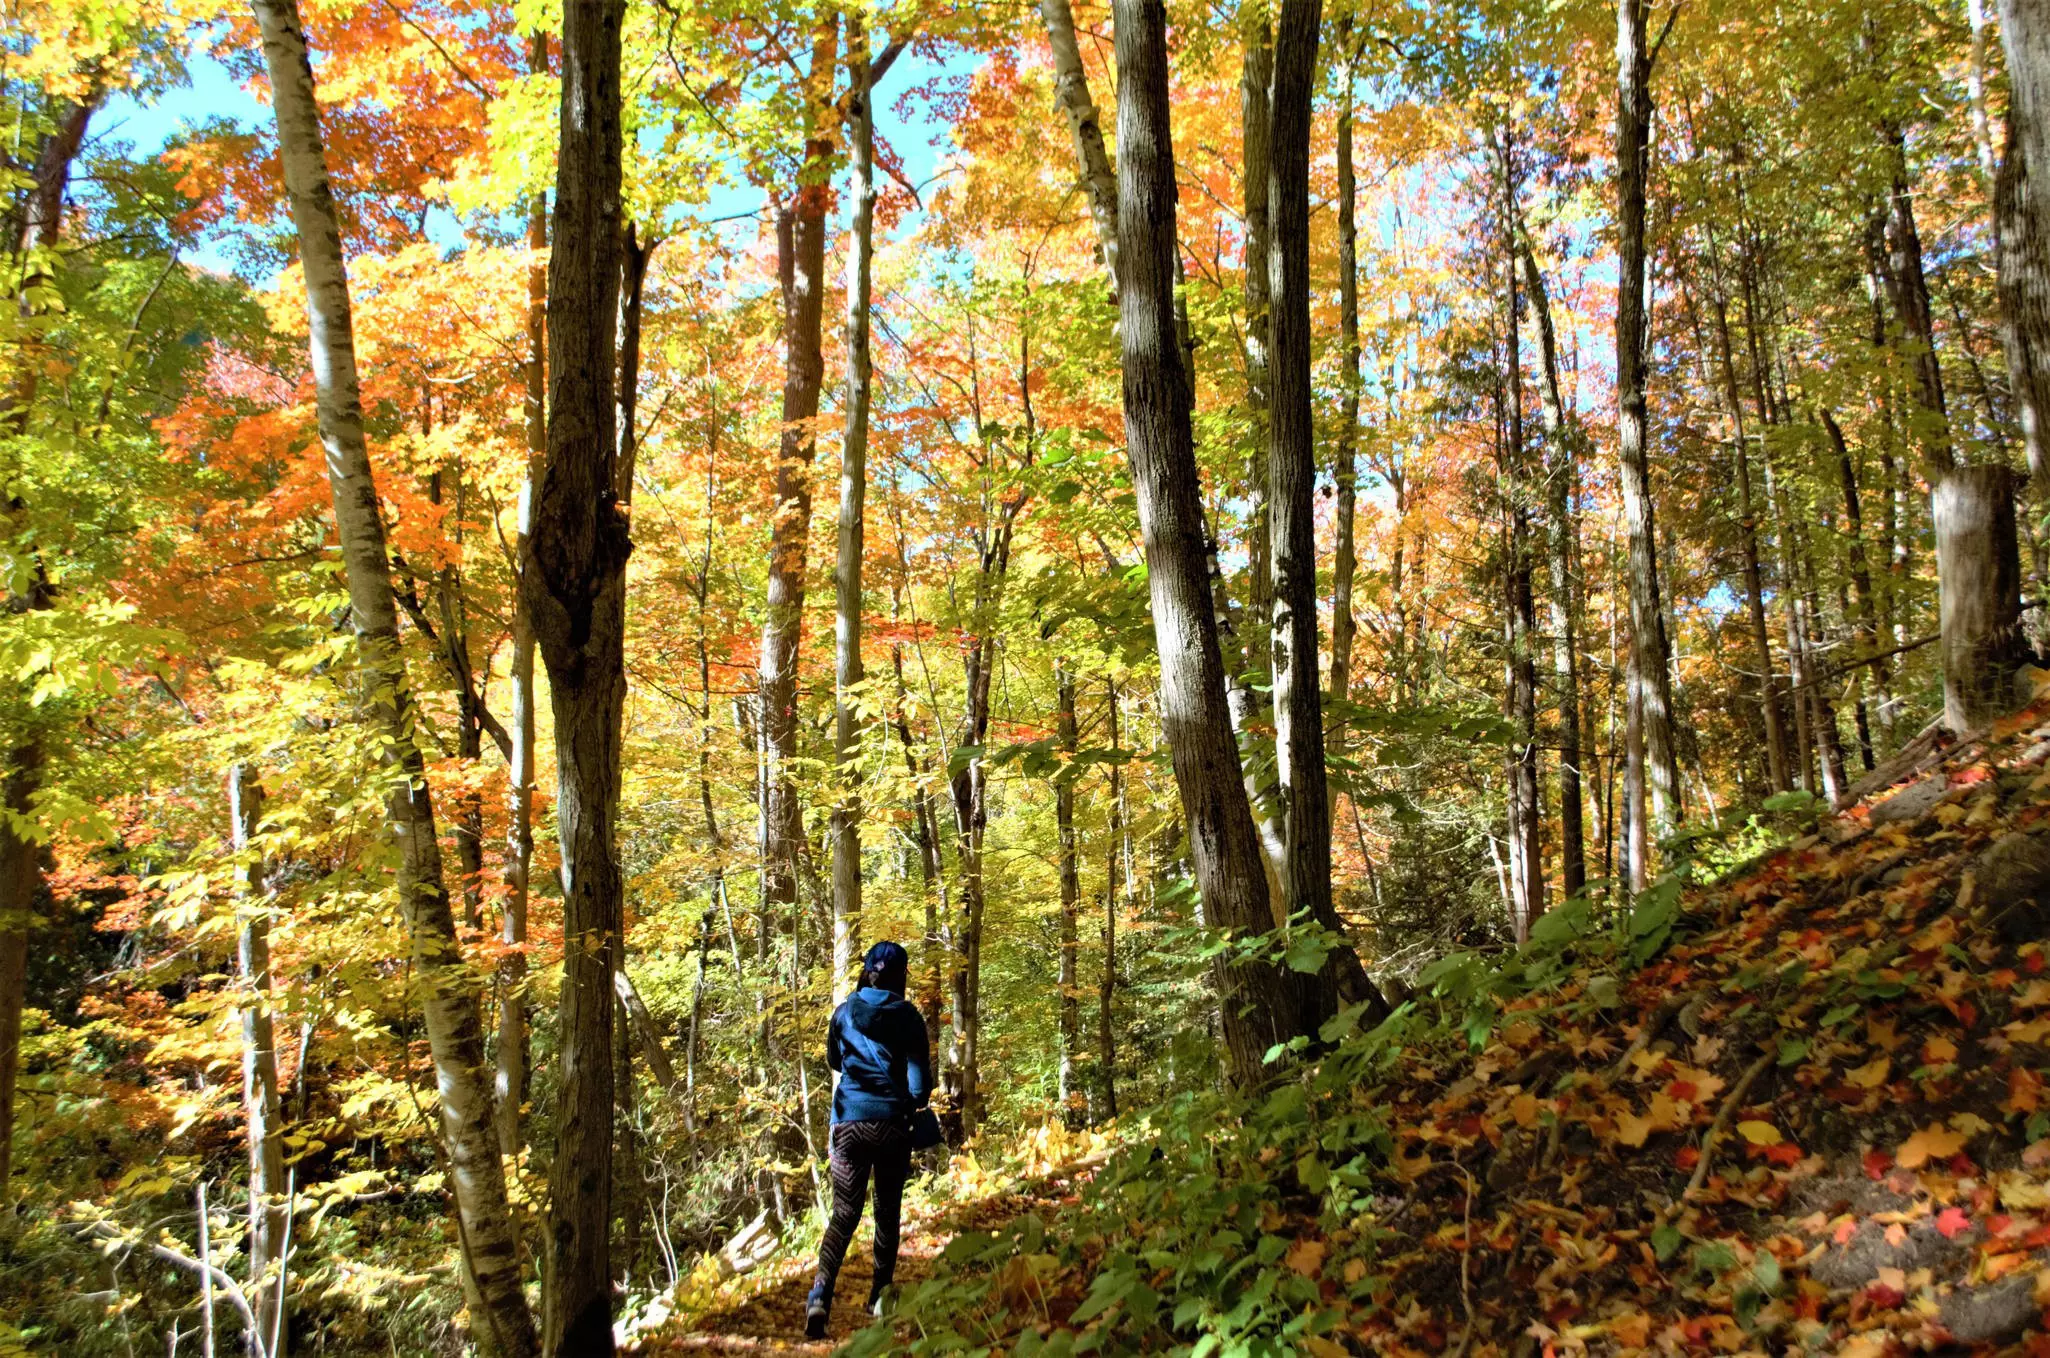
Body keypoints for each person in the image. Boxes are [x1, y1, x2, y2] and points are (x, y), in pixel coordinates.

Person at [806, 939, 932, 1340]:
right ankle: (879, 1297)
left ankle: (820, 1295)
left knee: (844, 1213)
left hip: (848, 1125)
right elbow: (919, 1086)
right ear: (900, 976)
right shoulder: (909, 1017)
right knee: (886, 1212)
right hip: (892, 1126)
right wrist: (908, 1103)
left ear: (867, 970)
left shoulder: (843, 1013)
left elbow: (832, 1061)